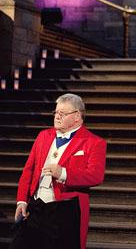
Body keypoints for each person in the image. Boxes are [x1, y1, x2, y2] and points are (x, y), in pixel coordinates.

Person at [11, 93, 106, 249]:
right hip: (36, 206)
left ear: (77, 116)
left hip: (65, 209)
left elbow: (96, 176)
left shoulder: (94, 142)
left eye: (62, 113)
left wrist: (63, 173)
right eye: (56, 112)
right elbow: (28, 170)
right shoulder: (43, 136)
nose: (57, 117)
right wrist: (22, 200)